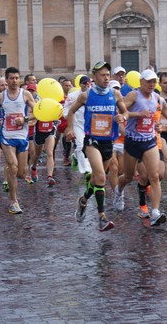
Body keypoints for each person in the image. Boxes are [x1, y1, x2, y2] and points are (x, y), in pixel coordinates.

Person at [67, 61, 128, 231]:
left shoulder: (115, 94)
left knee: (96, 180)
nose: (106, 78)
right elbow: (71, 111)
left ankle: (84, 200)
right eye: (102, 75)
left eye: (108, 74)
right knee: (101, 178)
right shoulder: (86, 95)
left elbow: (125, 112)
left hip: (108, 141)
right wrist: (70, 128)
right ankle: (102, 217)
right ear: (94, 77)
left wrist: (122, 117)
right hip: (92, 141)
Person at [115, 69, 167, 226]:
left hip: (149, 141)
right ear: (141, 82)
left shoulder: (158, 99)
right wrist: (136, 115)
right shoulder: (133, 95)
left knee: (155, 176)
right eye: (148, 81)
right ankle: (118, 190)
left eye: (153, 82)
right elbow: (122, 111)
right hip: (132, 141)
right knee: (128, 176)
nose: (151, 84)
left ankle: (155, 212)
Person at [0, 67, 36, 214]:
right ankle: (14, 201)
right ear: (7, 79)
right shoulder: (0, 97)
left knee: (21, 173)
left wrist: (24, 119)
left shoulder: (26, 94)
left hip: (22, 137)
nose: (15, 81)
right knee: (13, 166)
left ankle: (11, 180)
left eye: (17, 78)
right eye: (11, 78)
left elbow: (37, 112)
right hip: (6, 137)